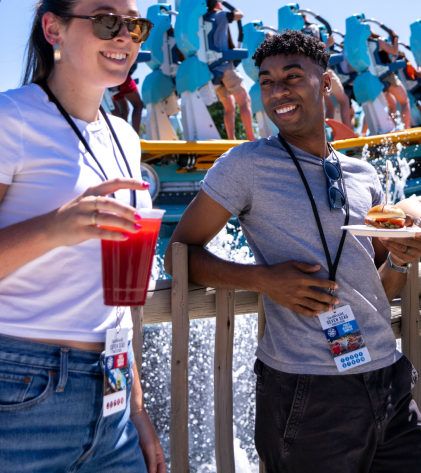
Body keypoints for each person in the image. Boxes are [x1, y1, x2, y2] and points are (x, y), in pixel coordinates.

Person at [165, 29, 421, 472]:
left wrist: (400, 257)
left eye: (292, 77)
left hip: (389, 380)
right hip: (309, 393)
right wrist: (261, 280)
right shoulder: (244, 165)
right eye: (266, 81)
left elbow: (374, 289)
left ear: (325, 85)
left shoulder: (363, 175)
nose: (277, 91)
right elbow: (179, 252)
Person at [0, 0, 164, 473]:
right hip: (12, 390)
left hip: (111, 395)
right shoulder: (3, 117)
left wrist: (136, 408)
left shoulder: (124, 137)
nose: (125, 36)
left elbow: (114, 302)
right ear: (54, 29)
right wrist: (54, 229)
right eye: (107, 20)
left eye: (134, 24)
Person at [204, 0, 255, 141]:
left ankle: (231, 140)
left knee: (229, 106)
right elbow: (239, 14)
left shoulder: (203, 19)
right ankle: (251, 138)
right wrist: (225, 3)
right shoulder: (219, 15)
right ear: (217, 5)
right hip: (225, 66)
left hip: (212, 69)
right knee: (244, 100)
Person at [373, 31, 411, 129]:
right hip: (387, 75)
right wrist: (395, 38)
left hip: (376, 79)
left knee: (392, 106)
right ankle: (407, 129)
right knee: (405, 102)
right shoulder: (377, 42)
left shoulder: (363, 45)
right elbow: (394, 51)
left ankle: (392, 130)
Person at [110, 65, 144, 134]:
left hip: (111, 79)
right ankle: (135, 136)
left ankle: (122, 136)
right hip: (122, 76)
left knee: (124, 111)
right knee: (138, 105)